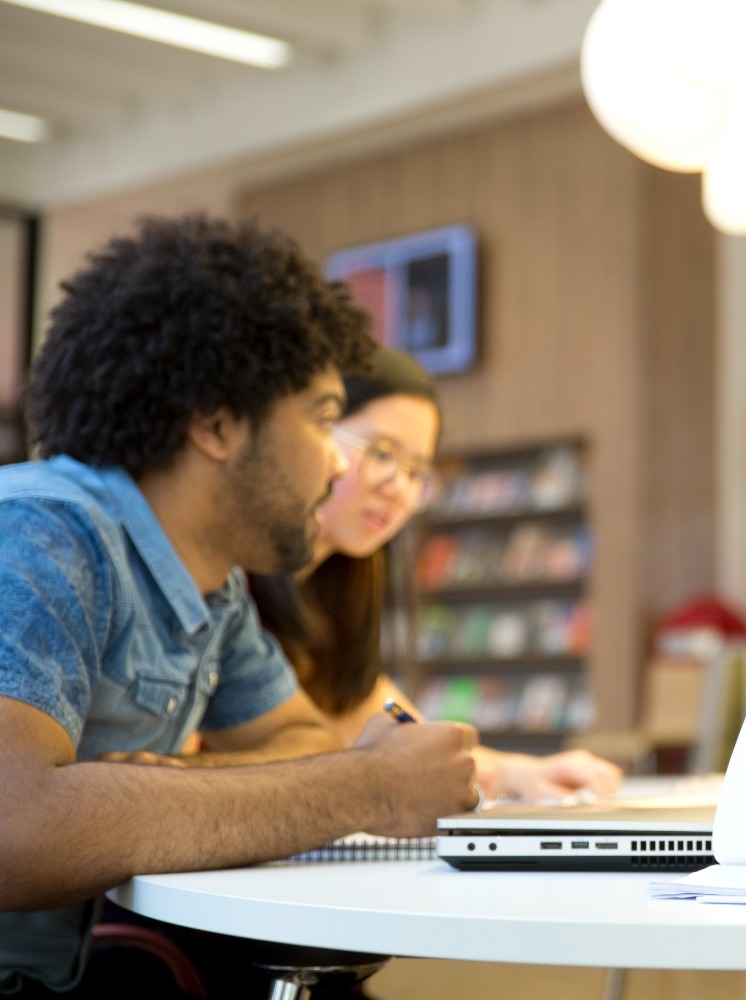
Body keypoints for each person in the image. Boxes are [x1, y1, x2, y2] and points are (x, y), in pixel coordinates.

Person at [0, 215, 479, 998]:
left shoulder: (212, 586)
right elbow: (12, 830)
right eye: (324, 418)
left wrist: (150, 792)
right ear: (216, 423)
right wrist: (370, 789)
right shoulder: (41, 532)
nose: (337, 462)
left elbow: (299, 735)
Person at [246, 344, 621, 802]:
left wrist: (517, 773)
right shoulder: (230, 584)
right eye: (383, 453)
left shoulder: (333, 601)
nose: (399, 488)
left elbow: (405, 741)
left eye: (417, 472)